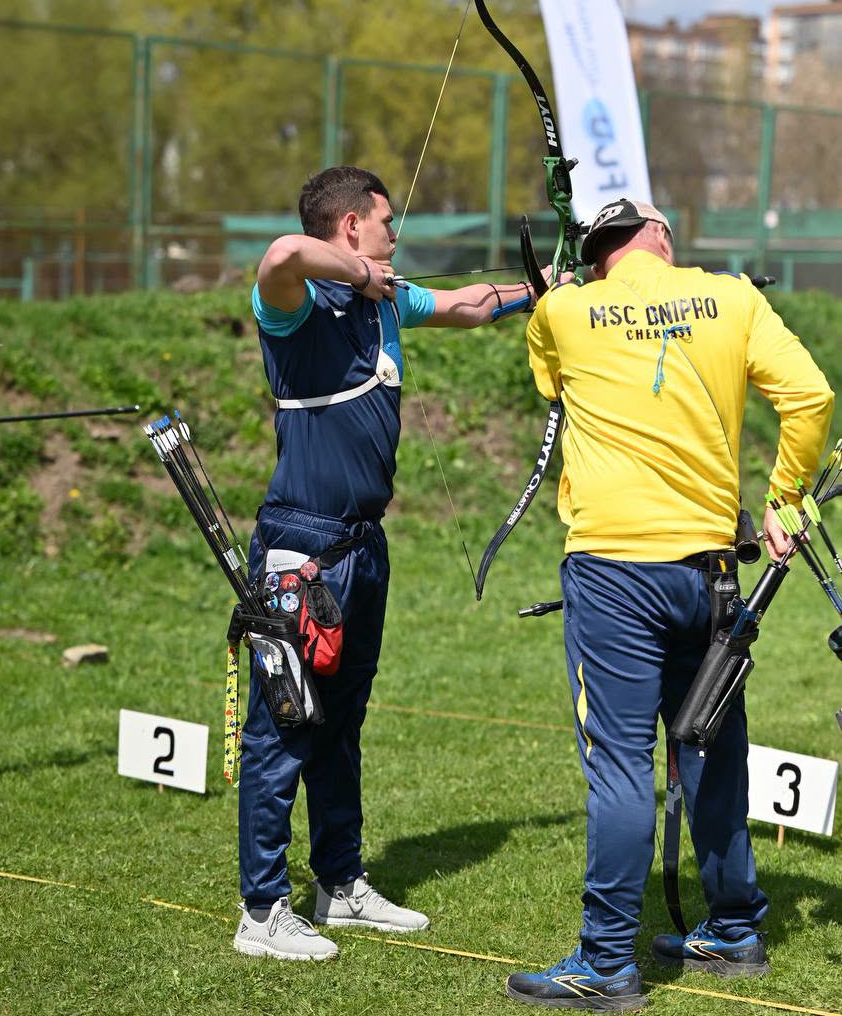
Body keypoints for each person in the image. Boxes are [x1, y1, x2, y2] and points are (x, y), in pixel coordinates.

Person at [505, 198, 835, 1011]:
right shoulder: (731, 296)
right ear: (656, 237)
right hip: (712, 572)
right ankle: (732, 929)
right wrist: (783, 496)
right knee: (709, 750)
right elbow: (811, 396)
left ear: (596, 251)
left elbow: (548, 375)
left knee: (620, 761)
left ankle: (606, 962)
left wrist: (560, 289)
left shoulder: (565, 310)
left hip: (616, 570)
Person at [234, 165, 543, 961]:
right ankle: (262, 911)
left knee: (340, 724)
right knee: (283, 726)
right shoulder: (296, 308)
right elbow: (278, 254)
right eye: (385, 224)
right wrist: (360, 274)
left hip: (361, 547)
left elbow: (467, 305)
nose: (395, 236)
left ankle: (339, 885)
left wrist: (544, 287)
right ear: (349, 229)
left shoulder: (386, 306)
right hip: (301, 547)